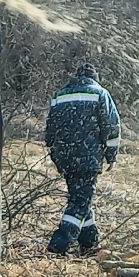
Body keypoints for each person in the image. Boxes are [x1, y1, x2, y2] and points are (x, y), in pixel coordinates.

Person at [45, 63, 121, 255]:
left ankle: (89, 242)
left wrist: (56, 156)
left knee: (79, 198)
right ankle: (59, 243)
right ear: (94, 78)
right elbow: (111, 127)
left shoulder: (59, 95)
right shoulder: (100, 93)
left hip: (65, 158)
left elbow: (50, 130)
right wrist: (111, 155)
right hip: (88, 158)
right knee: (79, 203)